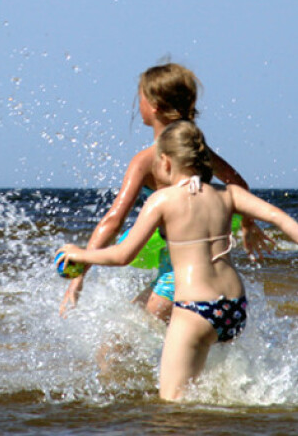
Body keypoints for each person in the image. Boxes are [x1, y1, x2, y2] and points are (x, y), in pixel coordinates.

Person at [55, 121, 298, 401]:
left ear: (166, 162)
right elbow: (280, 218)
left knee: (172, 408)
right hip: (234, 309)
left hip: (196, 308)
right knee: (213, 395)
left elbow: (123, 255)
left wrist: (80, 254)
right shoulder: (229, 194)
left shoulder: (161, 200)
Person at [59, 63, 273, 320]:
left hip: (175, 284)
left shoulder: (147, 160)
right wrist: (248, 224)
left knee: (110, 355)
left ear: (154, 106)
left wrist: (78, 279)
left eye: (140, 98)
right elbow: (238, 185)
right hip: (219, 284)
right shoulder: (197, 150)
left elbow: (112, 221)